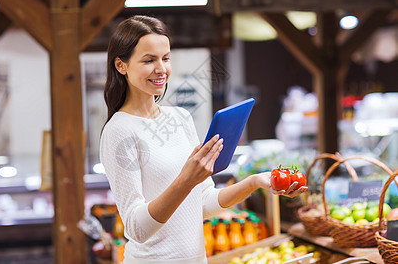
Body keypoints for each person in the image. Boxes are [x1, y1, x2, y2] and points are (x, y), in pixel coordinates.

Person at [99, 15, 307, 264]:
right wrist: (186, 180)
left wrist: (254, 182)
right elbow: (136, 229)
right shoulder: (119, 131)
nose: (161, 69)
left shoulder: (180, 118)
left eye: (165, 58)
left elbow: (205, 204)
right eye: (149, 60)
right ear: (121, 66)